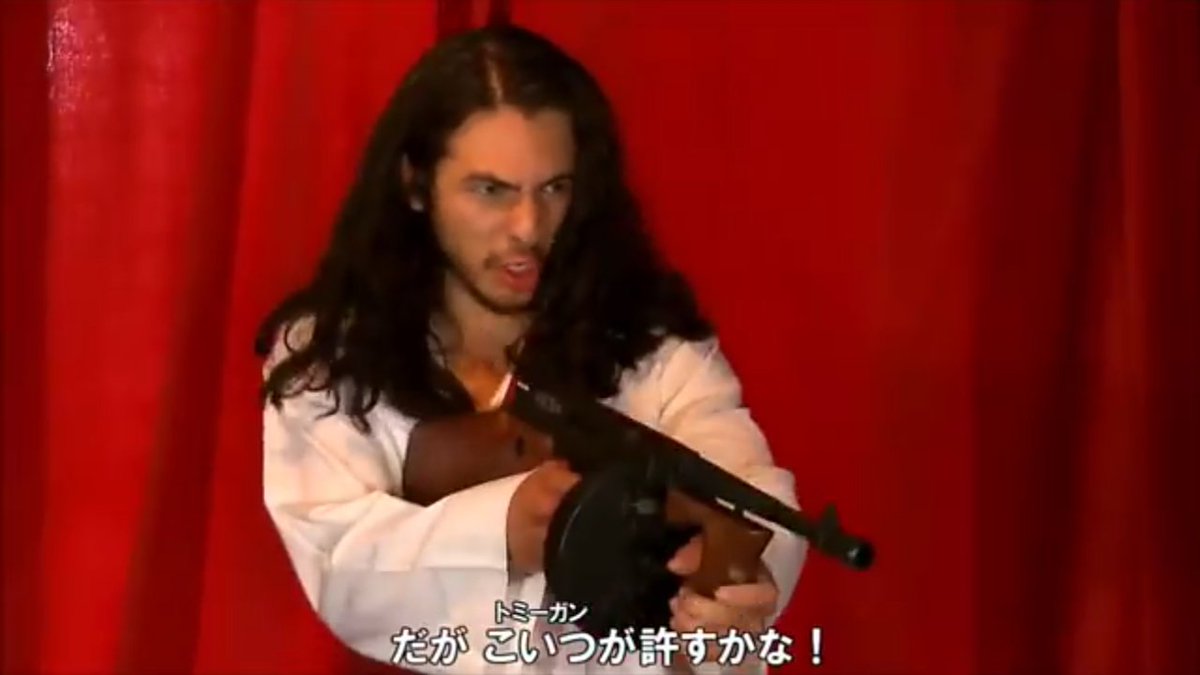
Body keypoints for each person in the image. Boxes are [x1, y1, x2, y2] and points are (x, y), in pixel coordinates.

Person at [256, 23, 807, 675]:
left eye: (553, 189)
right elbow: (339, 559)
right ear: (416, 184)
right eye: (491, 190)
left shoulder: (650, 341)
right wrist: (501, 529)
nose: (528, 227)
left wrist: (741, 588)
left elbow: (744, 484)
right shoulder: (330, 354)